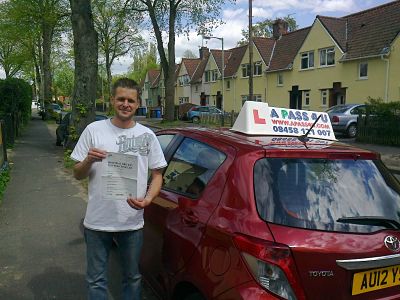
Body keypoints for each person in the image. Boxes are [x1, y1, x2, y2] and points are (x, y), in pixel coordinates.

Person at [71, 78, 167, 300]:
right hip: (97, 222)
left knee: (132, 277)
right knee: (96, 280)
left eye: (130, 100)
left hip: (131, 222)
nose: (125, 104)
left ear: (137, 103)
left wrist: (149, 199)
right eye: (121, 99)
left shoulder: (147, 135)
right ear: (112, 100)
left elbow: (157, 174)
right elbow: (77, 173)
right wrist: (87, 161)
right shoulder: (94, 130)